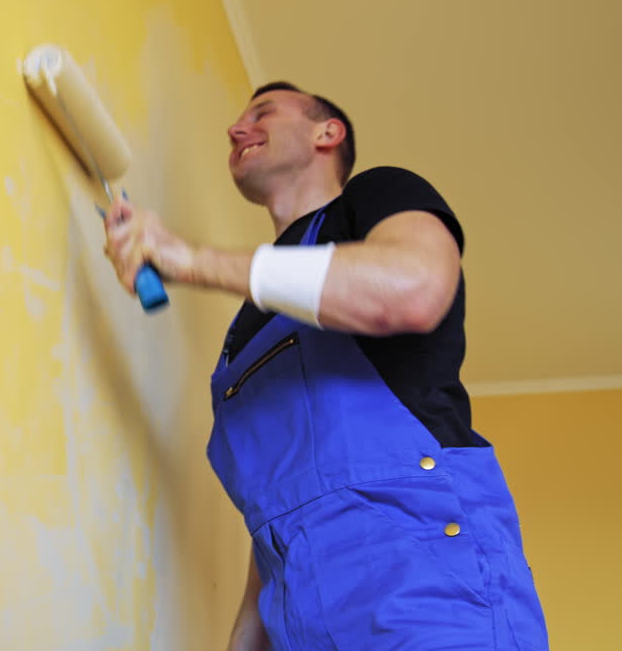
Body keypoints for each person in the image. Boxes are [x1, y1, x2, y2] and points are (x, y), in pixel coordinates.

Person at [102, 83, 549, 650]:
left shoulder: (377, 195)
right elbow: (277, 525)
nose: (236, 130)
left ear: (327, 133)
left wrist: (190, 260)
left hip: (432, 608)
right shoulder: (247, 330)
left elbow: (414, 288)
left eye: (261, 113)